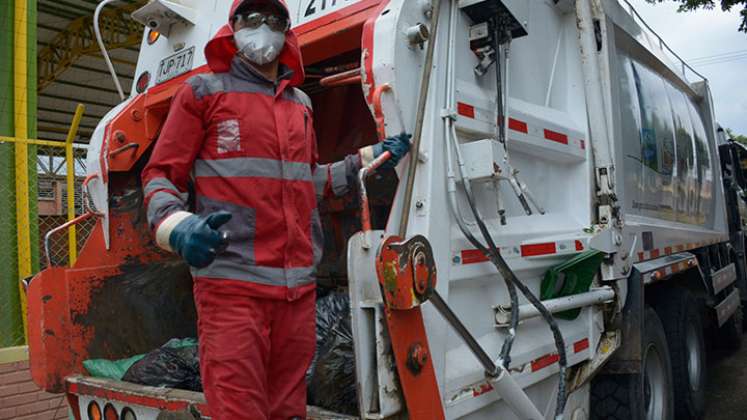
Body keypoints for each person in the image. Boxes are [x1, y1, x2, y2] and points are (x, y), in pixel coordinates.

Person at [140, 0, 411, 419]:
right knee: (238, 409)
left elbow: (310, 183)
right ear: (233, 29)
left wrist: (369, 158)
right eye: (252, 18)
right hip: (232, 290)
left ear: (287, 31)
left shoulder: (300, 104)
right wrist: (178, 227)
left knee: (289, 408)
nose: (262, 28)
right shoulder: (203, 93)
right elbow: (160, 175)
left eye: (274, 20)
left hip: (296, 293)